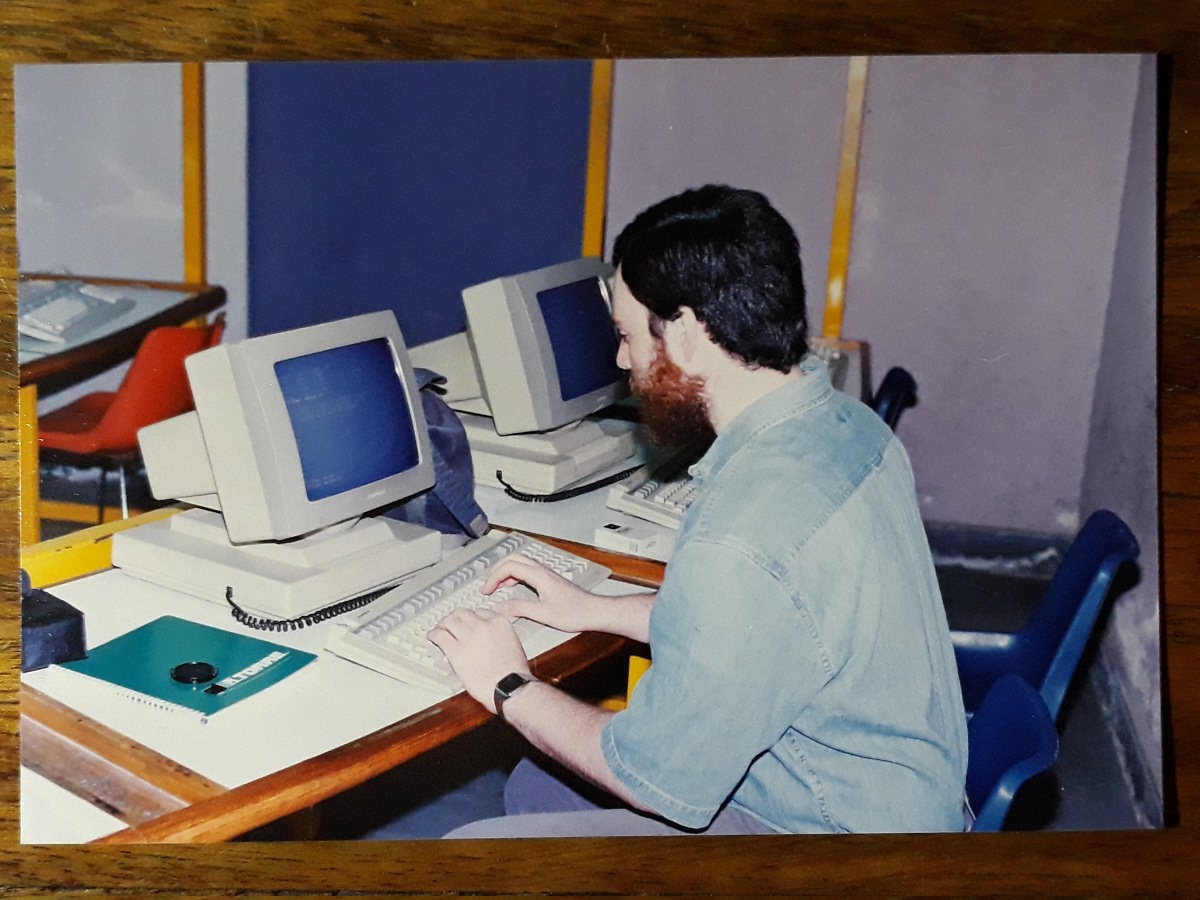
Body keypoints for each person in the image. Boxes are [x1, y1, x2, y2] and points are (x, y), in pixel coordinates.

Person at [429, 184, 968, 837]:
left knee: (466, 851)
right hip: (892, 799)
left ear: (683, 333)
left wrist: (507, 684)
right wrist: (593, 610)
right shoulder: (849, 428)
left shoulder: (743, 533)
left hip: (827, 838)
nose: (624, 360)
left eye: (628, 335)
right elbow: (774, 626)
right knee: (542, 785)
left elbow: (651, 778)